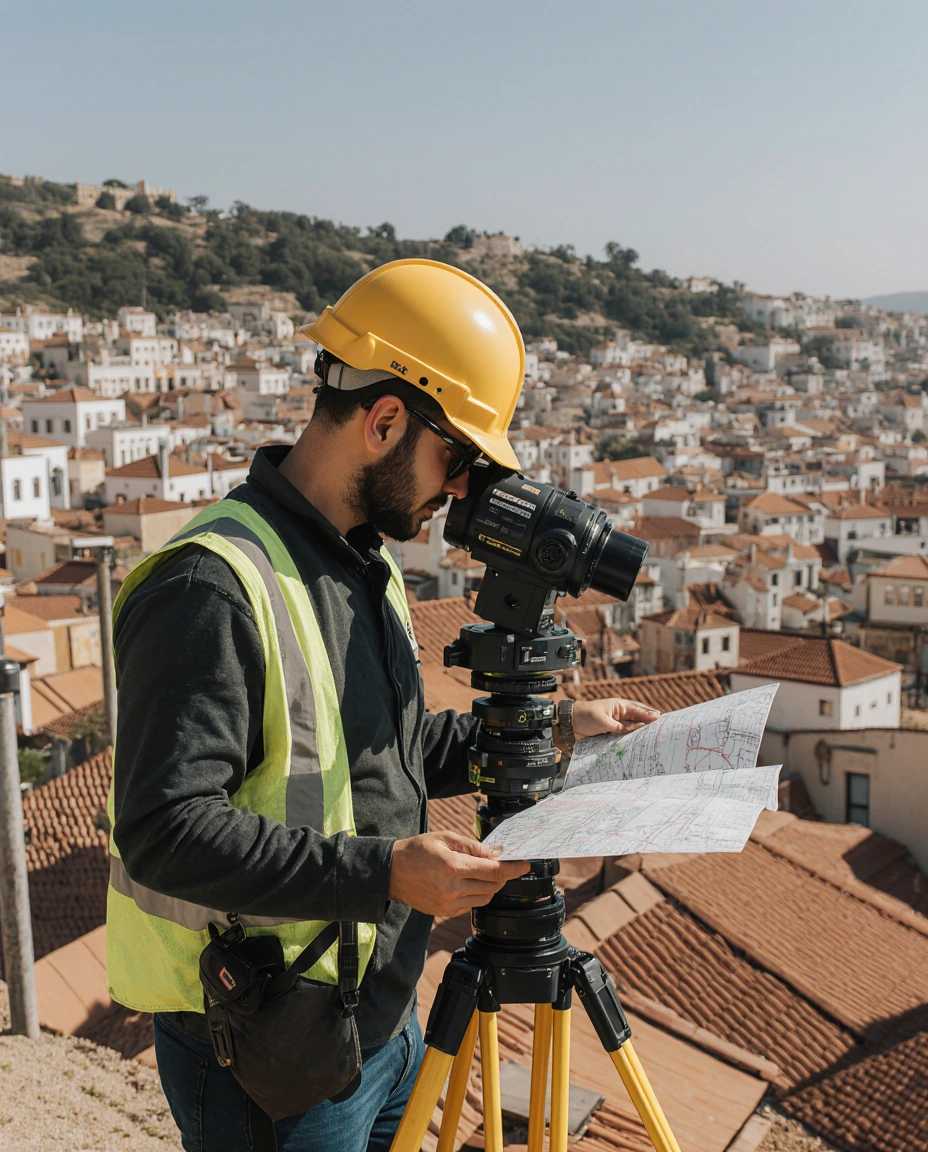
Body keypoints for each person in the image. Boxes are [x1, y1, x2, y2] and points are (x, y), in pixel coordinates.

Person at [106, 259, 659, 1152]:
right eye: (459, 458)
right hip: (269, 1050)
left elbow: (381, 753)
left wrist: (553, 730)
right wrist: (386, 874)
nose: (461, 491)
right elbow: (163, 828)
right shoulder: (213, 586)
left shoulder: (364, 562)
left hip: (387, 1018)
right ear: (386, 419)